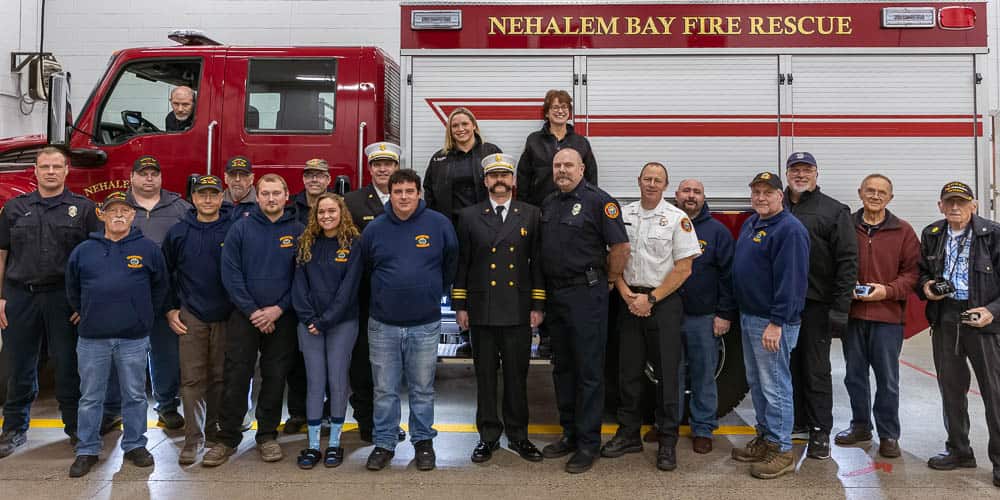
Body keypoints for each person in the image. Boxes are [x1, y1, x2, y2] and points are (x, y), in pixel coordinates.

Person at [0, 147, 102, 458]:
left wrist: (84, 302)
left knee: (69, 365)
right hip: (20, 296)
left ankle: (75, 429)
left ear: (67, 170)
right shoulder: (14, 209)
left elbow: (95, 258)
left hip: (64, 297)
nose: (51, 172)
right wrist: (0, 297)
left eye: (57, 166)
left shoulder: (84, 210)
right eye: (45, 166)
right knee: (18, 365)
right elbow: (2, 254)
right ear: (35, 170)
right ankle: (14, 430)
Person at [602, 162, 699, 471]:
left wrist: (652, 298)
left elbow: (684, 268)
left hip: (663, 302)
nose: (652, 184)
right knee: (627, 373)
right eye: (647, 179)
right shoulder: (624, 215)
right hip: (629, 299)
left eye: (658, 180)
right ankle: (629, 433)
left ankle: (667, 441)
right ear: (639, 181)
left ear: (665, 185)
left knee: (667, 376)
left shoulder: (677, 219)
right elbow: (613, 256)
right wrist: (623, 290)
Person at [202, 174, 304, 467]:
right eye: (265, 193)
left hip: (281, 319)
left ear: (287, 196)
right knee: (235, 376)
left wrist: (277, 309)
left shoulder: (299, 231)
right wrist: (253, 311)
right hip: (245, 317)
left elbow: (301, 277)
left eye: (276, 193)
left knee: (274, 378)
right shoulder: (240, 229)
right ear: (257, 197)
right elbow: (230, 274)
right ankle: (227, 438)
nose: (271, 199)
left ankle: (267, 436)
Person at [360, 169, 458, 472]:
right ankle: (385, 443)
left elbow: (450, 265)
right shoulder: (374, 229)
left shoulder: (439, 225)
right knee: (385, 390)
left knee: (422, 388)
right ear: (391, 194)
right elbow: (365, 269)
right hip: (383, 325)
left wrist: (430, 293)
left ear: (419, 194)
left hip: (425, 324)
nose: (404, 197)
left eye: (409, 191)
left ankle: (423, 442)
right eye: (398, 191)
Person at [65, 191, 168, 478]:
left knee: (134, 395)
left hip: (133, 339)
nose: (119, 215)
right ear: (102, 215)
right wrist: (83, 310)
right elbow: (72, 287)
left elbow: (161, 286)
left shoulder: (147, 249)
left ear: (133, 215)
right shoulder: (84, 250)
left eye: (124, 210)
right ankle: (87, 449)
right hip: (92, 339)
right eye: (113, 211)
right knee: (90, 397)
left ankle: (135, 445)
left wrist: (144, 316)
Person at [539, 148, 629, 474]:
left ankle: (589, 444)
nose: (562, 170)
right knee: (562, 368)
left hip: (586, 293)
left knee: (589, 371)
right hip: (556, 295)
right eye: (557, 165)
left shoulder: (599, 201)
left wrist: (611, 278)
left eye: (568, 165)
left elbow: (620, 247)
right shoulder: (549, 203)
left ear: (581, 168)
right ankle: (570, 434)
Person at [452, 154, 545, 464]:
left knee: (518, 377)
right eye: (494, 175)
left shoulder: (531, 214)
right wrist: (461, 305)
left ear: (514, 181)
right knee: (485, 377)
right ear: (486, 181)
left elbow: (538, 264)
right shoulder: (468, 216)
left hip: (518, 308)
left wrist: (538, 304)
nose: (500, 180)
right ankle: (488, 436)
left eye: (505, 174)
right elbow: (462, 264)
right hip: (483, 309)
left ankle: (519, 436)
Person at [917, 181, 1000, 487]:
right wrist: (926, 287)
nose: (955, 208)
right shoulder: (932, 234)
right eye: (949, 202)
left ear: (973, 206)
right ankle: (959, 449)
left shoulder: (993, 234)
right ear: (940, 205)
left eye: (961, 203)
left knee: (995, 392)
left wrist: (991, 310)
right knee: (951, 389)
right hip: (946, 317)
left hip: (983, 318)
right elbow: (921, 272)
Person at [834, 174, 919, 459]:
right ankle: (860, 426)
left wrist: (887, 290)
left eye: (882, 192)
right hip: (853, 316)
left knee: (887, 379)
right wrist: (846, 292)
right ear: (860, 193)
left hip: (888, 318)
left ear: (890, 198)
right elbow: (834, 262)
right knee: (855, 376)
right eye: (870, 190)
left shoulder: (903, 231)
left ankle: (888, 434)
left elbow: (913, 274)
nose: (875, 196)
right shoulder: (846, 225)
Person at [731, 171, 809, 479]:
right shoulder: (754, 223)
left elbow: (791, 282)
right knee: (759, 383)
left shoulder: (790, 230)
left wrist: (777, 322)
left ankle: (782, 450)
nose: (761, 197)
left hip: (772, 322)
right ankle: (765, 438)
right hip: (751, 316)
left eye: (768, 192)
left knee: (775, 386)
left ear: (781, 195)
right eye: (757, 192)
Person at [783, 151, 858, 460]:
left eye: (807, 170)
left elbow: (847, 261)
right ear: (787, 174)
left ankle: (819, 432)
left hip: (816, 305)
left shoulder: (834, 211)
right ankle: (797, 421)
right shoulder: (777, 206)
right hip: (782, 306)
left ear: (816, 173)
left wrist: (841, 308)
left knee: (815, 370)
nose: (801, 175)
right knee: (788, 368)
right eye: (795, 170)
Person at [162, 175, 235, 465]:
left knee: (219, 378)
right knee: (192, 380)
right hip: (191, 315)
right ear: (193, 198)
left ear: (221, 198)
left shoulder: (234, 229)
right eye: (201, 194)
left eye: (213, 194)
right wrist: (170, 309)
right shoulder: (178, 233)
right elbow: (164, 275)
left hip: (228, 315)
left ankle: (214, 431)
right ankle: (193, 440)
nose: (207, 199)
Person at [291, 193, 363, 469]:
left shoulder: (354, 243)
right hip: (309, 324)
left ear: (341, 212)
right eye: (321, 212)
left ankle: (333, 444)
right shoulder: (306, 242)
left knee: (337, 381)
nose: (326, 216)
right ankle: (312, 446)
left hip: (341, 324)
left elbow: (349, 290)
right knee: (315, 382)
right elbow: (299, 285)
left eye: (332, 211)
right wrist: (309, 317)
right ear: (315, 215)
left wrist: (325, 320)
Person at [343, 141, 406, 444]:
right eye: (377, 164)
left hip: (396, 298)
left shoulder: (408, 199)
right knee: (363, 364)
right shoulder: (352, 202)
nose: (383, 169)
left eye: (389, 164)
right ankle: (367, 422)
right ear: (369, 169)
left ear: (397, 168)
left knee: (393, 367)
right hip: (363, 297)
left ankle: (390, 423)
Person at [126, 154, 192, 430]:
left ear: (161, 177)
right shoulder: (117, 207)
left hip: (166, 295)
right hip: (126, 294)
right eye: (143, 174)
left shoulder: (180, 208)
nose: (149, 178)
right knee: (125, 355)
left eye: (154, 173)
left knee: (165, 353)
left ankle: (166, 406)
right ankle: (115, 410)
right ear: (132, 177)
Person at [675, 178, 736, 454]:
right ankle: (668, 424)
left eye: (696, 192)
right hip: (669, 315)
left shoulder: (717, 232)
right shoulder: (667, 225)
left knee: (703, 374)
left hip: (703, 317)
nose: (691, 196)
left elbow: (728, 276)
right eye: (686, 191)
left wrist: (724, 313)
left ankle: (702, 428)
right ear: (676, 195)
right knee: (670, 374)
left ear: (704, 197)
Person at [284, 157, 334, 434]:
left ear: (328, 179)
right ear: (303, 179)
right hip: (296, 292)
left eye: (320, 175)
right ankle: (297, 413)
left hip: (326, 294)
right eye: (309, 175)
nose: (314, 180)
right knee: (296, 360)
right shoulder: (291, 207)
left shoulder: (337, 207)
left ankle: (326, 412)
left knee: (329, 361)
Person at [516, 89, 598, 207]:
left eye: (564, 107)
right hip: (541, 208)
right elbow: (523, 178)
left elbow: (591, 178)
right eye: (555, 107)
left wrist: (590, 206)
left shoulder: (581, 142)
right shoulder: (534, 141)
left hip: (575, 208)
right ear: (546, 113)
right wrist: (524, 210)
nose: (560, 111)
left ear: (569, 112)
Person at [424, 107, 502, 223]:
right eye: (455, 126)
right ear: (450, 130)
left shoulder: (491, 152)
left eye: (465, 124)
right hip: (451, 223)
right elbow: (429, 192)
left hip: (486, 222)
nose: (460, 129)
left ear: (474, 126)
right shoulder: (438, 159)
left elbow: (504, 185)